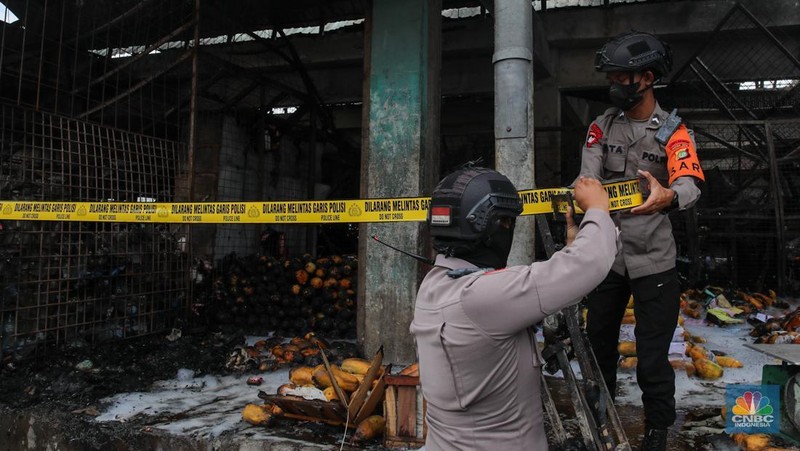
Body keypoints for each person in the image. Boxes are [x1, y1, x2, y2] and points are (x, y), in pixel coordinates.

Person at [410, 167, 618, 450]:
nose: (508, 231)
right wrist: (597, 209)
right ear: (489, 226)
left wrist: (571, 248)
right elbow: (589, 264)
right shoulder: (481, 298)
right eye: (507, 224)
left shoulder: (434, 285)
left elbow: (535, 289)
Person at [578, 31, 705, 451]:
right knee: (598, 346)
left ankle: (656, 432)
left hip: (655, 260)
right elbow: (588, 179)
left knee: (652, 357)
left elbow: (690, 183)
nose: (614, 85)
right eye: (611, 77)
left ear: (647, 78)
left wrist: (670, 195)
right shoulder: (601, 127)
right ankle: (600, 420)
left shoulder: (674, 132)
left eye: (621, 77)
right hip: (607, 257)